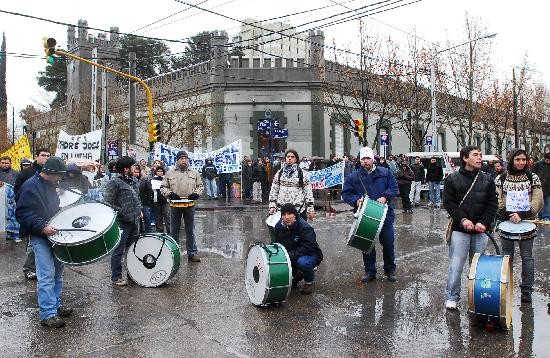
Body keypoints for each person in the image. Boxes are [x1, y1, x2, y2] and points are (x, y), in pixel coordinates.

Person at [15, 156, 73, 328]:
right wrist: (42, 227)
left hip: (54, 234)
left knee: (58, 274)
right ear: (52, 173)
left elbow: (52, 208)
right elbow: (23, 214)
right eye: (60, 175)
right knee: (46, 275)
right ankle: (48, 314)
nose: (61, 179)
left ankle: (55, 305)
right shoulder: (30, 186)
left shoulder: (50, 184)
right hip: (41, 236)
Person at [443, 146, 498, 310]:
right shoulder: (452, 179)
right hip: (460, 230)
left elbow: (492, 204)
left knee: (478, 268)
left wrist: (484, 222)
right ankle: (452, 296)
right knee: (456, 265)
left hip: (480, 231)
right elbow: (449, 203)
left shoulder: (488, 180)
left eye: (480, 155)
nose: (480, 158)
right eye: (475, 155)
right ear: (465, 158)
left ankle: (478, 297)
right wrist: (463, 219)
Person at [342, 146, 399, 283]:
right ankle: (370, 271)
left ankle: (389, 270)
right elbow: (346, 193)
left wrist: (385, 197)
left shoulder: (385, 172)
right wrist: (356, 200)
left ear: (373, 159)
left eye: (368, 158)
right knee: (366, 245)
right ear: (360, 160)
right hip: (365, 216)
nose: (365, 161)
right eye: (363, 159)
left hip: (385, 215)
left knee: (388, 242)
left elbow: (394, 187)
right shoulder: (354, 176)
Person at [495, 149, 543, 303]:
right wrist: (509, 214)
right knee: (506, 256)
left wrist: (522, 215)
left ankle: (526, 290)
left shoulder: (532, 177)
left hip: (527, 222)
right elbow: (498, 199)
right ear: (511, 160)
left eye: (524, 159)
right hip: (507, 222)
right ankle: (505, 285)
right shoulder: (501, 178)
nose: (521, 162)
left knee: (527, 257)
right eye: (517, 159)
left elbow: (538, 200)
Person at [103, 157, 142, 286]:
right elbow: (108, 202)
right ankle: (116, 277)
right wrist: (122, 213)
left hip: (135, 222)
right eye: (132, 167)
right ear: (126, 169)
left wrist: (139, 210)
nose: (135, 168)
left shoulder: (134, 180)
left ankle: (132, 274)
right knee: (118, 251)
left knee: (132, 250)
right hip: (122, 222)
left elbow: (137, 198)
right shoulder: (114, 182)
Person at [14, 148, 51, 281]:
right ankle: (29, 268)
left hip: (48, 213)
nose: (45, 158)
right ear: (36, 156)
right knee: (33, 243)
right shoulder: (27, 172)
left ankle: (44, 267)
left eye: (48, 155)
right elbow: (17, 190)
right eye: (43, 155)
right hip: (32, 214)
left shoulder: (51, 173)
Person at [160, 150, 204, 262]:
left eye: (186, 158)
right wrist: (170, 194)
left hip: (189, 205)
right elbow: (163, 187)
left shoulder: (194, 173)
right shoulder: (170, 173)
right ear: (177, 160)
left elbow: (200, 186)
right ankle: (174, 254)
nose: (184, 160)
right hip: (175, 206)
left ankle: (192, 253)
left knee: (190, 231)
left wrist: (196, 194)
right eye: (182, 158)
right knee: (174, 231)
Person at [272, 203, 323, 294]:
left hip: (310, 254)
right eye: (284, 214)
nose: (287, 217)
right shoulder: (278, 226)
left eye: (289, 214)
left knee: (303, 263)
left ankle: (309, 282)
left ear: (295, 214)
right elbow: (277, 244)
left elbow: (308, 247)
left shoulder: (305, 227)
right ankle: (298, 274)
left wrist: (288, 256)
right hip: (292, 252)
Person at [269, 149, 315, 221]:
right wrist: (272, 206)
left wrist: (310, 209)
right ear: (285, 158)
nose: (290, 158)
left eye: (292, 157)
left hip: (298, 210)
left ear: (296, 159)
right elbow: (274, 190)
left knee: (299, 232)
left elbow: (308, 192)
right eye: (288, 156)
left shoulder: (302, 174)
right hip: (282, 210)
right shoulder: (279, 173)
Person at [531, 152, 550, 221]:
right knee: (539, 202)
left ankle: (546, 217)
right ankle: (540, 215)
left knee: (547, 203)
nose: (548, 161)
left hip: (548, 187)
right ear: (544, 158)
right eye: (547, 160)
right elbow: (532, 173)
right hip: (539, 187)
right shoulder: (538, 164)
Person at [151, 167, 170, 234]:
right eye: (158, 171)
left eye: (161, 171)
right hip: (156, 200)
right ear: (156, 172)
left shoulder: (166, 179)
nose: (160, 172)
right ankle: (159, 230)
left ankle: (169, 230)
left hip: (166, 200)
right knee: (158, 216)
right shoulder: (152, 179)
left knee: (167, 215)